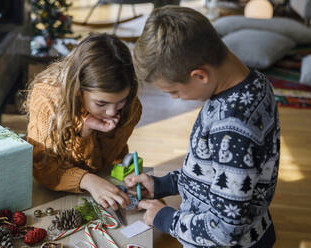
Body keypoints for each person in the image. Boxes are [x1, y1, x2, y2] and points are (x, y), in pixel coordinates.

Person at [125, 6, 279, 247]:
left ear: (200, 76)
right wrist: (164, 185)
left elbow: (226, 230)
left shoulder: (233, 130)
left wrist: (166, 219)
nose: (175, 98)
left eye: (174, 91)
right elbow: (214, 173)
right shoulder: (255, 84)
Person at [26, 33, 142, 210]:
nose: (112, 112)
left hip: (100, 183)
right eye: (101, 103)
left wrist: (92, 130)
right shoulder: (47, 99)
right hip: (52, 192)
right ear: (78, 90)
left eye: (120, 102)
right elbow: (43, 168)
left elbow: (102, 164)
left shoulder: (131, 108)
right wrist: (84, 131)